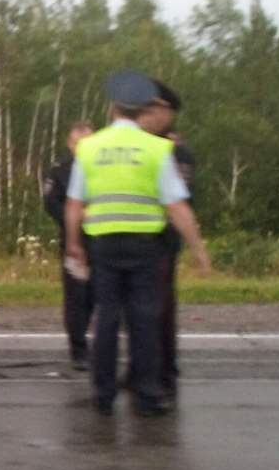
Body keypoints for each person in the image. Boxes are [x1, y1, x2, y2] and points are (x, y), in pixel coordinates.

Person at [64, 70, 211, 416]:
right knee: (144, 320)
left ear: (113, 107)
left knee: (106, 319)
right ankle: (146, 396)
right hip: (146, 247)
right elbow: (177, 207)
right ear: (141, 109)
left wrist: (74, 244)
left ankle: (103, 395)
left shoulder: (89, 147)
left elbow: (74, 204)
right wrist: (199, 250)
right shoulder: (158, 148)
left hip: (103, 246)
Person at [135, 81, 195, 398]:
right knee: (134, 313)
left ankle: (164, 374)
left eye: (156, 109)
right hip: (134, 242)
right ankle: (139, 371)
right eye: (146, 108)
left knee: (158, 311)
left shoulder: (176, 150)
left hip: (160, 244)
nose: (149, 114)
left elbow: (180, 202)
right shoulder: (138, 146)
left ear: (170, 114)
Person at [43, 121, 94, 370]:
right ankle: (78, 349)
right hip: (74, 240)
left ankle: (102, 348)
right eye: (79, 143)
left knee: (98, 295)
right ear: (70, 144)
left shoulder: (101, 166)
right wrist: (74, 217)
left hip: (101, 239)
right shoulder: (60, 170)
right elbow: (51, 202)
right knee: (76, 297)